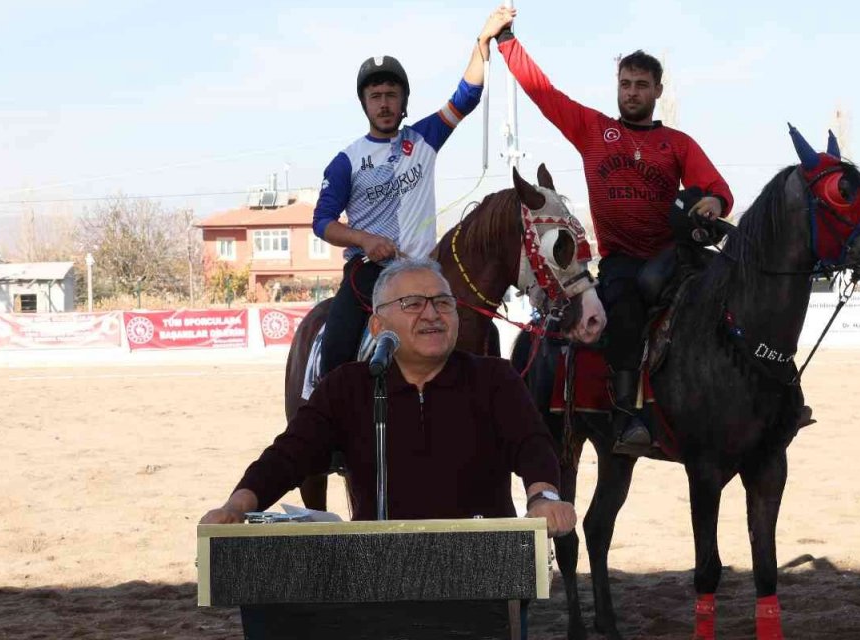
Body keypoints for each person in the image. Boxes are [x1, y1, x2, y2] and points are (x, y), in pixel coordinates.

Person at [484, 11, 736, 456]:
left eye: (642, 85)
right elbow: (544, 94)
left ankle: (767, 394)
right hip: (624, 263)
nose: (632, 92)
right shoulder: (593, 130)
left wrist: (712, 203)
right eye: (626, 84)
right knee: (624, 306)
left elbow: (716, 190)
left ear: (658, 91)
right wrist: (507, 42)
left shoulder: (677, 144)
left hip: (677, 257)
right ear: (617, 87)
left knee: (736, 289)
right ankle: (627, 415)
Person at [201, 258, 577, 537]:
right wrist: (238, 505)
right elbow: (289, 454)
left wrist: (542, 497)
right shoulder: (346, 386)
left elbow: (532, 444)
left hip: (482, 566)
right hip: (376, 570)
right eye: (413, 304)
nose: (432, 314)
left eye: (443, 303)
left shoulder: (494, 378)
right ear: (378, 325)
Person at [311, 6, 518, 381]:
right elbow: (322, 222)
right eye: (376, 96)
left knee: (482, 337)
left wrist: (482, 40)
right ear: (365, 104)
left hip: (427, 269)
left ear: (404, 101)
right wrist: (365, 239)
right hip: (369, 275)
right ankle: (332, 426)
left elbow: (467, 95)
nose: (385, 103)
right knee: (337, 355)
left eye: (392, 94)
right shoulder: (347, 160)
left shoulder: (425, 138)